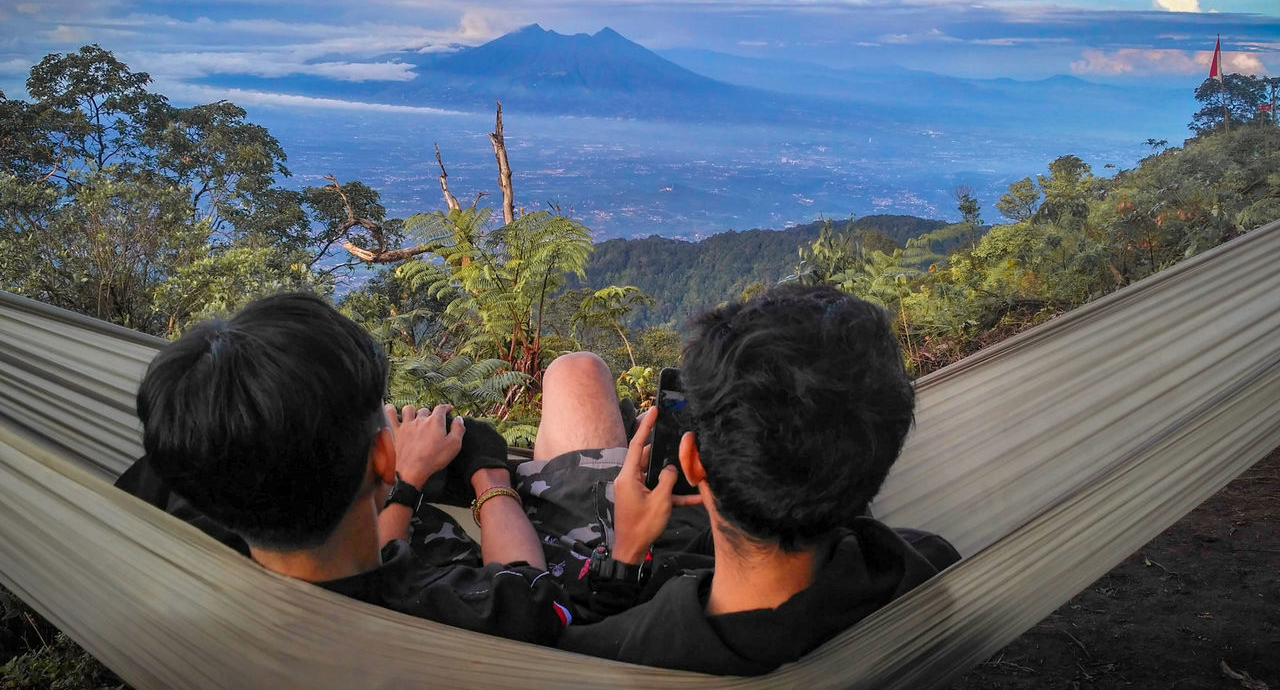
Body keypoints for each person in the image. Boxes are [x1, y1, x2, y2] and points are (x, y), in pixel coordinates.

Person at [520, 283, 958, 674]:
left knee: (574, 372)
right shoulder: (920, 565)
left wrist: (625, 557)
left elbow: (573, 624)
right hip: (753, 529)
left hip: (632, 554)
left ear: (690, 461)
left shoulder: (632, 646)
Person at [129, 292, 572, 644]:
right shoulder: (465, 607)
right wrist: (487, 470)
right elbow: (531, 587)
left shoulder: (184, 500)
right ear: (384, 456)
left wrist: (406, 480)